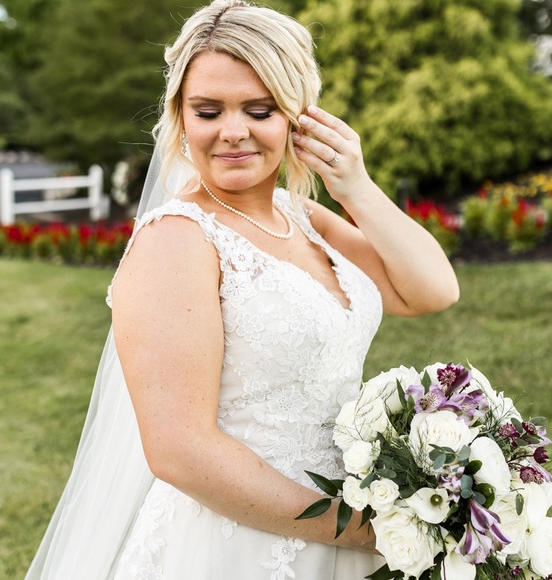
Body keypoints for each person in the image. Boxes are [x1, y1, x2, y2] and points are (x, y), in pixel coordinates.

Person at [26, 0, 460, 578]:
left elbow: (433, 290)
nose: (233, 132)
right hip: (236, 542)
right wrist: (369, 530)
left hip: (351, 515)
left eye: (259, 109)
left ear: (298, 116)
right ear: (181, 118)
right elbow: (180, 450)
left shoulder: (301, 216)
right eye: (208, 111)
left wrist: (354, 186)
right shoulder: (176, 239)